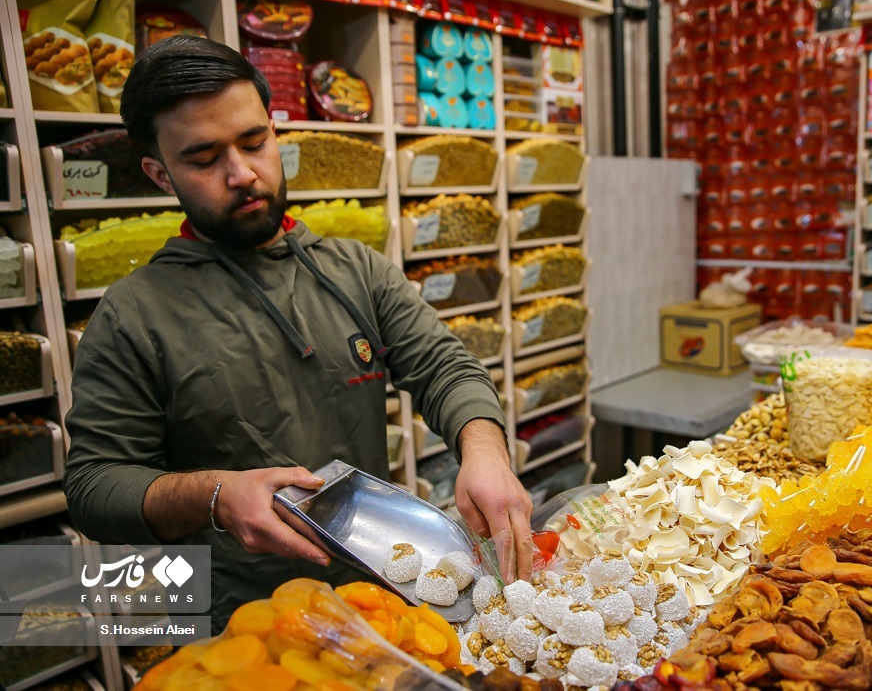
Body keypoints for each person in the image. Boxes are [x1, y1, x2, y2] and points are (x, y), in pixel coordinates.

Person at [62, 35, 533, 632]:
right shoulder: (134, 314)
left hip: (379, 592)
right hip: (240, 621)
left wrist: (484, 451)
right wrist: (215, 496)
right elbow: (95, 486)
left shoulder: (356, 270)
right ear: (160, 173)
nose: (241, 174)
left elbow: (445, 366)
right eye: (204, 159)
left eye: (255, 142)